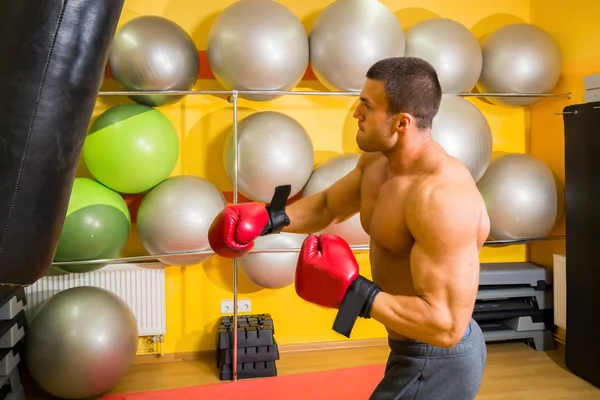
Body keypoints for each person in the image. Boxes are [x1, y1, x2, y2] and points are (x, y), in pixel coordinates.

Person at [208, 56, 490, 399]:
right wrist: (269, 219)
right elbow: (328, 206)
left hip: (439, 358)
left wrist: (356, 292)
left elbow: (446, 325)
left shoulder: (441, 198)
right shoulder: (377, 164)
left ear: (401, 122)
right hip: (410, 348)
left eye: (367, 107)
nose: (356, 113)